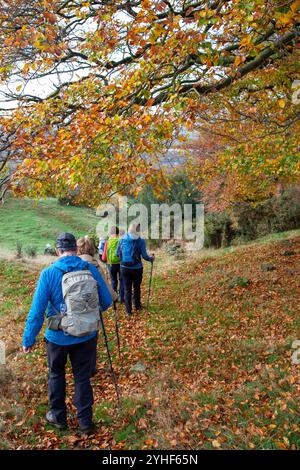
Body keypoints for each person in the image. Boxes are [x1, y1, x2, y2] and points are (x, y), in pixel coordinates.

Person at [22, 233, 112, 434]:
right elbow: (106, 302)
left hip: (57, 337)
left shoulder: (48, 273)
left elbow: (36, 312)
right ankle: (85, 423)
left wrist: (28, 339)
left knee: (56, 374)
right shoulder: (89, 268)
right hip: (86, 335)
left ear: (57, 251)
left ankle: (58, 417)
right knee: (82, 377)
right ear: (76, 249)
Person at [77, 235, 118, 376]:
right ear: (92, 249)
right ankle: (90, 368)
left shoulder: (72, 265)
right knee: (91, 337)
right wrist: (114, 297)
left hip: (74, 310)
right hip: (93, 310)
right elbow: (106, 290)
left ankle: (79, 366)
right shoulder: (95, 267)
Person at [117, 223, 154, 317]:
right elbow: (145, 256)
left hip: (124, 268)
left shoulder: (122, 239)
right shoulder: (141, 241)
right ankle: (137, 306)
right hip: (137, 268)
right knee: (136, 287)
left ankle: (128, 311)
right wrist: (151, 258)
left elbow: (117, 254)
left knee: (127, 289)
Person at [102, 226, 124, 303]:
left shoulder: (107, 242)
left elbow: (104, 257)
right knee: (122, 280)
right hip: (120, 263)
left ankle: (114, 299)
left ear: (110, 233)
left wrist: (106, 260)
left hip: (110, 264)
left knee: (113, 281)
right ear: (118, 233)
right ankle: (121, 298)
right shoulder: (120, 241)